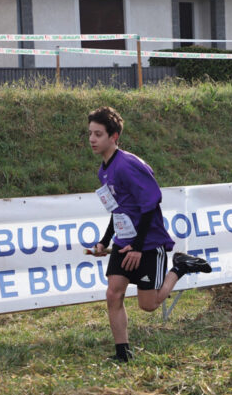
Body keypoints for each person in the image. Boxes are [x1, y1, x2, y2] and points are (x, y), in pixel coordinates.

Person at [86, 106, 212, 362]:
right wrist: (104, 241)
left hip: (148, 242)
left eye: (98, 134)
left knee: (148, 304)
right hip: (123, 242)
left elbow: (151, 204)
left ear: (114, 137)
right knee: (113, 294)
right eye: (90, 133)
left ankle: (180, 267)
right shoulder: (103, 171)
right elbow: (117, 210)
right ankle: (123, 353)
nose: (92, 139)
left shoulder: (128, 165)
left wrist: (137, 247)